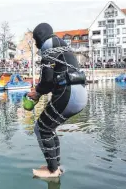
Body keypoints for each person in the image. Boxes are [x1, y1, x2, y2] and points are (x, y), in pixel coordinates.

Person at [27, 23, 88, 178]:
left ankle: (52, 170)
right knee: (49, 128)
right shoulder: (61, 44)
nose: (36, 44)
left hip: (67, 95)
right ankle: (54, 166)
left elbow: (47, 80)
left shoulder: (48, 45)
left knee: (41, 129)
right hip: (79, 94)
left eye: (35, 40)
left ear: (40, 37)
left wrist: (37, 93)